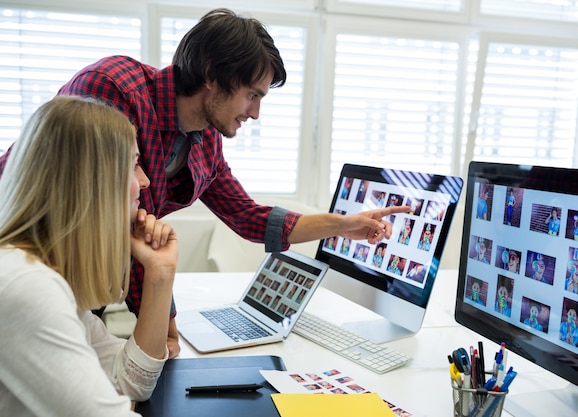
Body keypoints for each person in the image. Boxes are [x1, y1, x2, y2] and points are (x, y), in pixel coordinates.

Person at [0, 8, 409, 356]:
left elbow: (248, 217)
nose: (256, 113)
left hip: (76, 287)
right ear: (213, 74)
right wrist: (162, 321)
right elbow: (110, 217)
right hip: (30, 274)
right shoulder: (113, 88)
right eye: (253, 94)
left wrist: (343, 225)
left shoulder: (205, 140)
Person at [0, 96, 178, 416]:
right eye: (133, 164)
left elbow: (128, 383)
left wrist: (160, 273)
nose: (145, 181)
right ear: (92, 181)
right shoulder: (27, 285)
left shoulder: (48, 276)